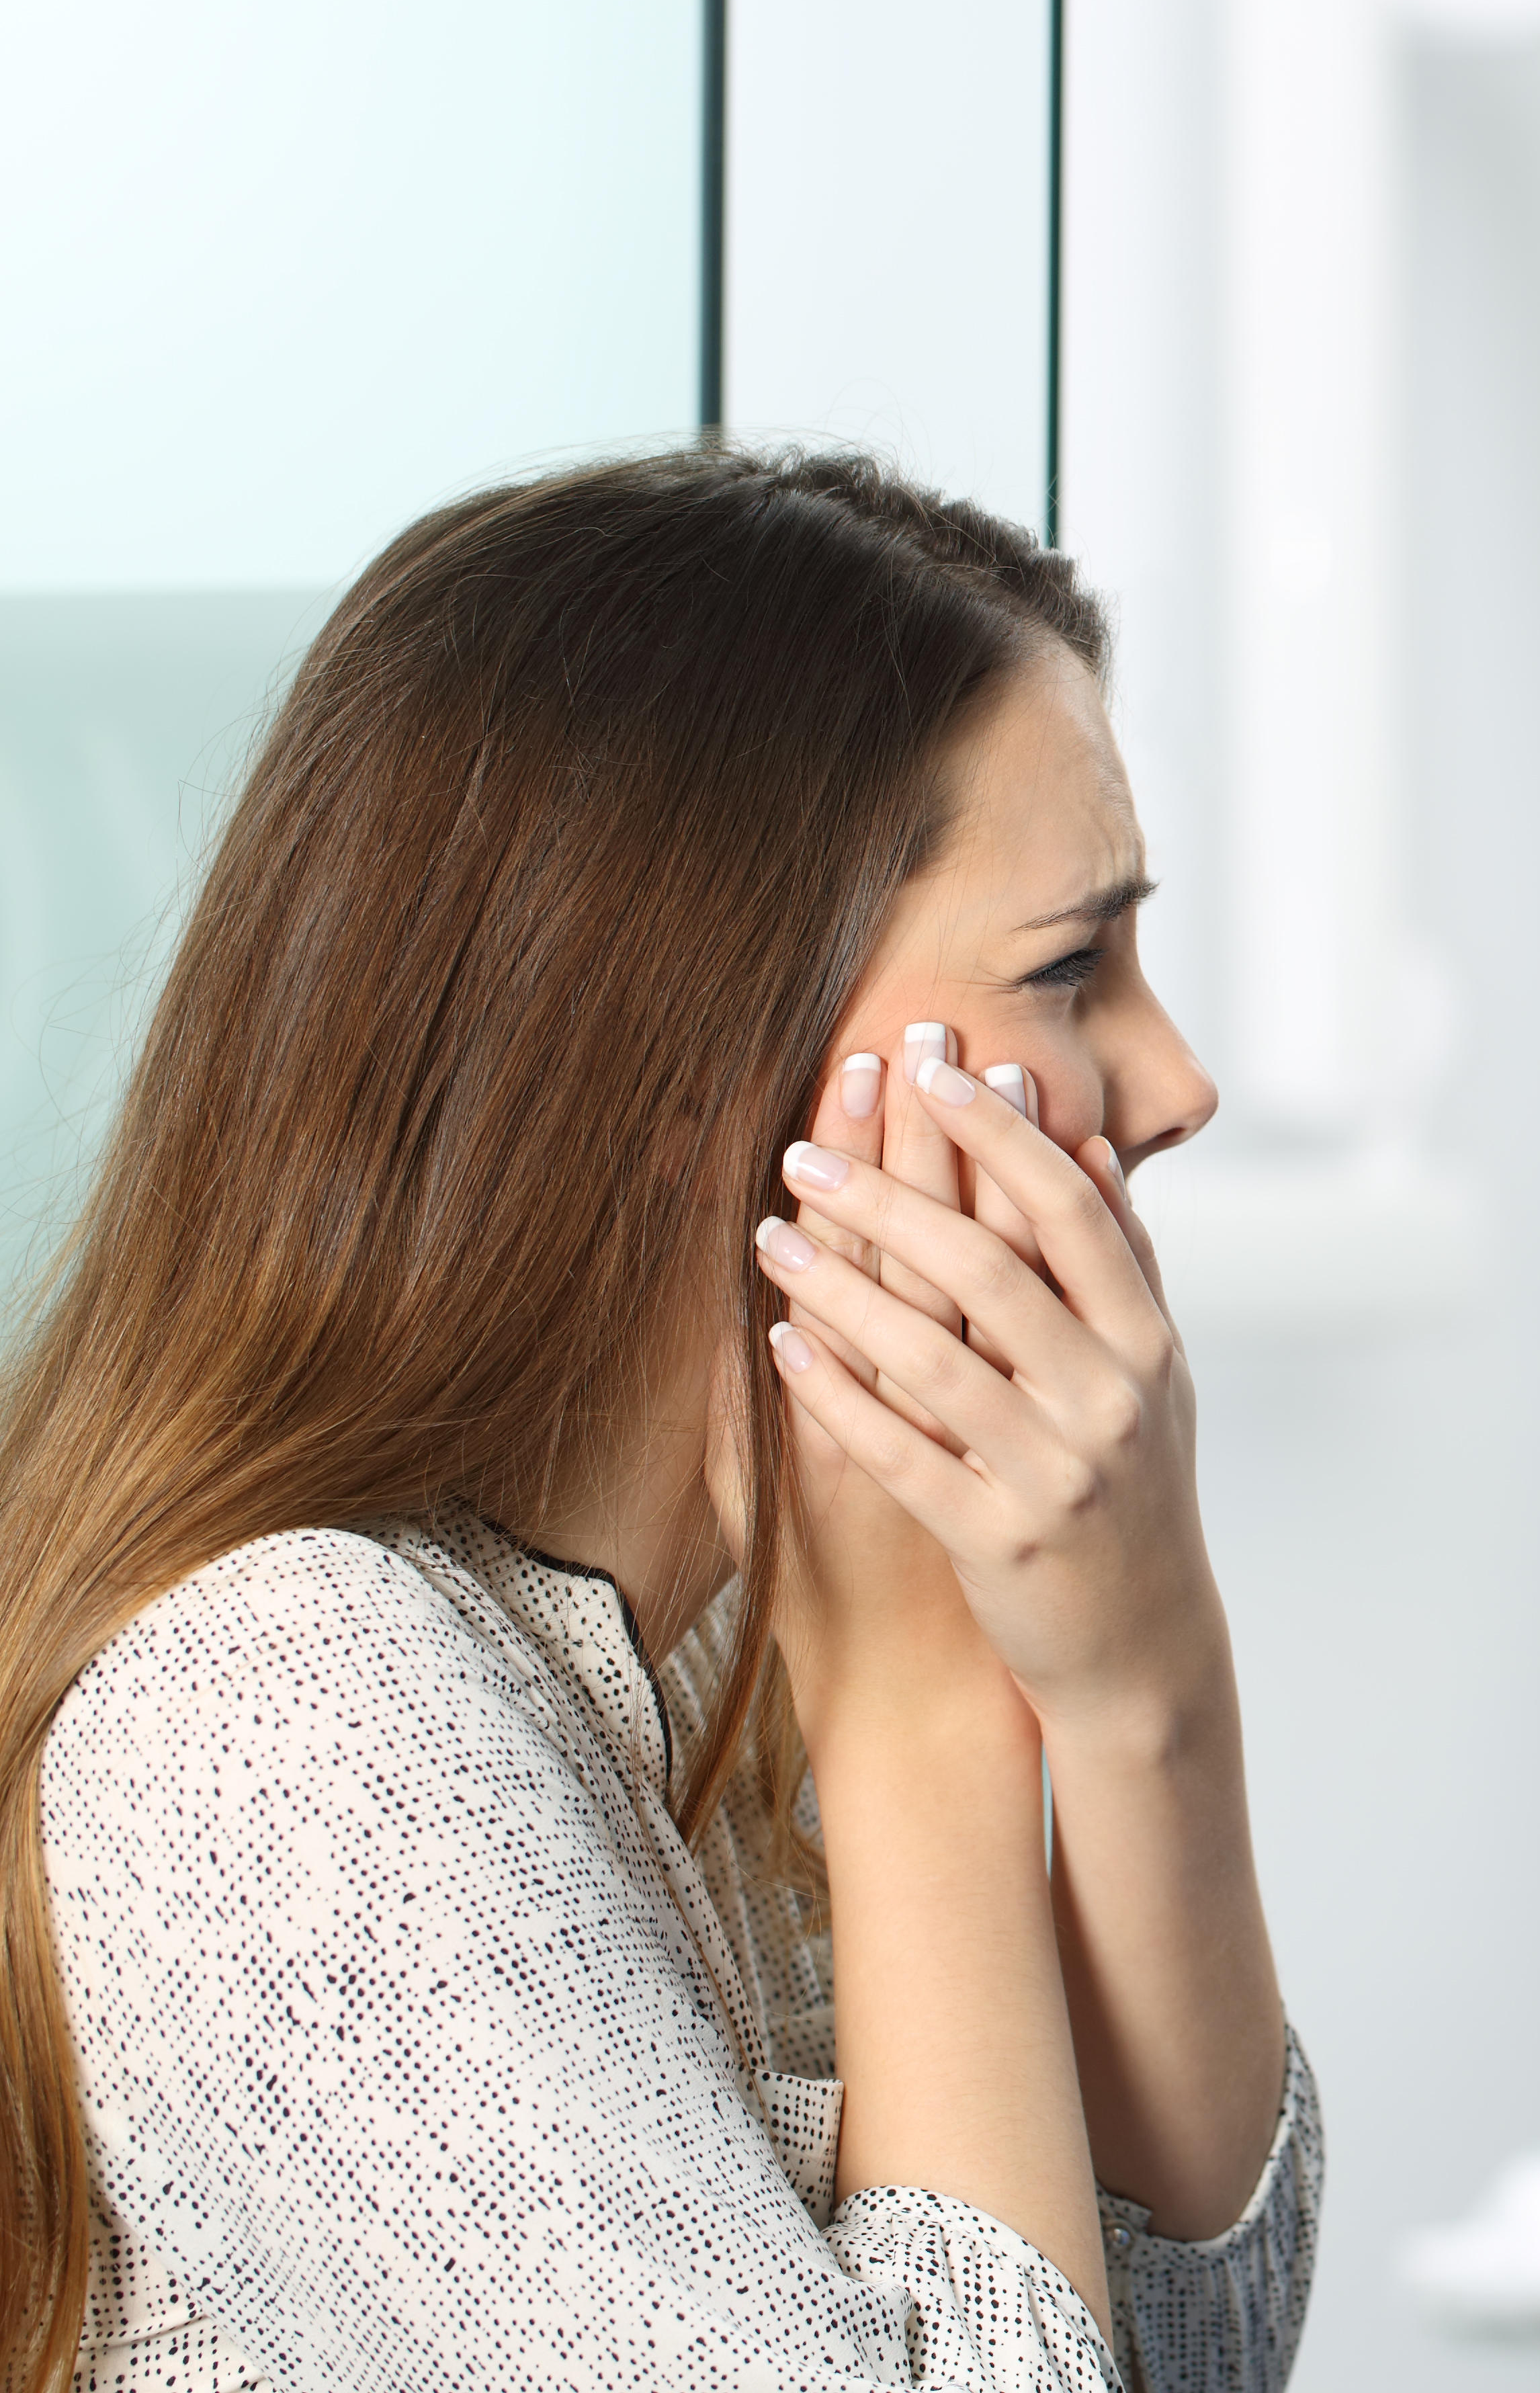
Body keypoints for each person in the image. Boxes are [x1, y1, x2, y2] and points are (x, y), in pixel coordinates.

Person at [0, 449, 1316, 2390]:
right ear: (691, 1060)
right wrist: (929, 1723)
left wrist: (1148, 1703)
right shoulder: (287, 1719)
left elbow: (1183, 2364)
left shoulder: (708, 1627)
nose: (1177, 1080)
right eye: (1069, 968)